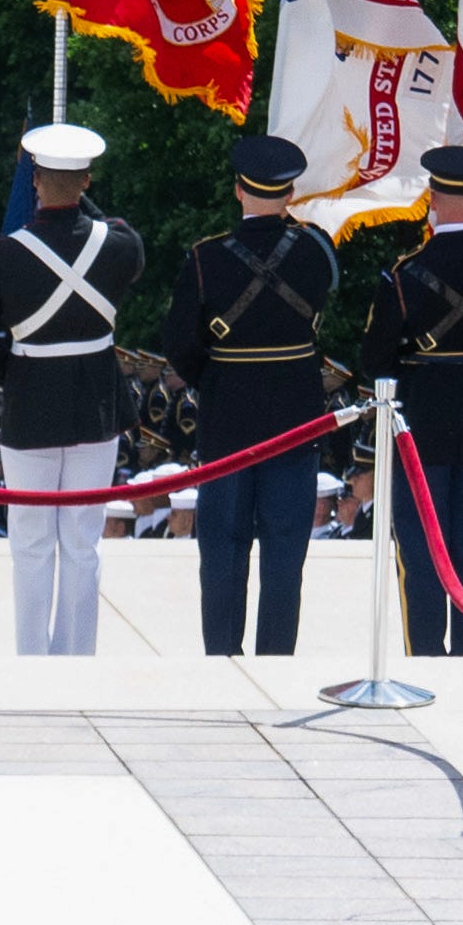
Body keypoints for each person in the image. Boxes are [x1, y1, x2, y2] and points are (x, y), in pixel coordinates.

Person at [0, 121, 138, 657]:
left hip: (31, 403)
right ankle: (77, 658)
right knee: (82, 542)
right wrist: (83, 200)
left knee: (31, 542)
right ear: (86, 180)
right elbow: (113, 236)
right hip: (96, 405)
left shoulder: (2, 255)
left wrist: (17, 373)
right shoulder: (122, 244)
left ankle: (31, 657)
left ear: (34, 180)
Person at [167, 132, 337, 659]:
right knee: (286, 553)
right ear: (289, 195)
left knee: (223, 548)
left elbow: (178, 344)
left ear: (239, 190)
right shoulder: (318, 251)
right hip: (296, 417)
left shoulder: (205, 258)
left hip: (228, 421)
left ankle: (221, 657)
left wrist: (214, 379)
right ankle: (276, 661)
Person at [361, 148, 463, 656]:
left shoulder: (404, 275)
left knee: (421, 547)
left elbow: (375, 362)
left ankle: (427, 658)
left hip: (424, 421)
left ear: (431, 199)